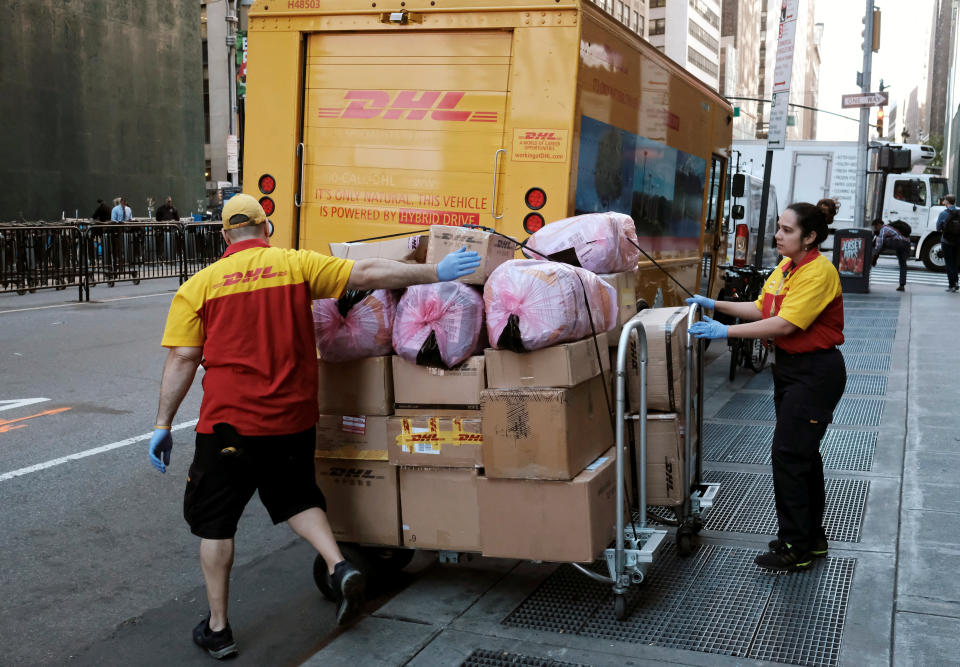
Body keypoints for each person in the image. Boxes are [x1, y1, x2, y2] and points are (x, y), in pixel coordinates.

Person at [147, 194, 481, 660]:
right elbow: (366, 275)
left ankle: (219, 628)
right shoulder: (294, 265)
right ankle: (340, 566)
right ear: (267, 229)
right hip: (291, 418)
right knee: (297, 497)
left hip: (228, 425)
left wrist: (163, 423)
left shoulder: (200, 285)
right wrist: (435, 273)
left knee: (216, 524)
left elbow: (183, 357)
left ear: (224, 236)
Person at [686, 202, 846, 572]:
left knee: (789, 457)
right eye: (779, 227)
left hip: (813, 374)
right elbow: (763, 308)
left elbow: (784, 325)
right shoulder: (787, 267)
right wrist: (716, 305)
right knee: (803, 456)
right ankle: (811, 537)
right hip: (791, 371)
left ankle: (795, 546)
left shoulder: (818, 272)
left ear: (810, 237)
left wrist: (723, 331)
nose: (779, 235)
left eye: (788, 230)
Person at [871, 219, 911, 291]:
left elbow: (880, 244)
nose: (876, 229)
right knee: (903, 264)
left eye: (875, 227)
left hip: (899, 243)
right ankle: (902, 285)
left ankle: (873, 259)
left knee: (880, 241)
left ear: (879, 225)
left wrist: (874, 254)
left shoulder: (884, 229)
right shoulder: (890, 228)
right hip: (906, 244)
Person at [936, 194, 959, 292]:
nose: (943, 201)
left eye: (944, 200)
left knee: (949, 263)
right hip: (958, 241)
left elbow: (938, 228)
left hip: (946, 241)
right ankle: (956, 282)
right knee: (955, 262)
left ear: (947, 202)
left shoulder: (943, 213)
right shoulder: (959, 212)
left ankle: (952, 284)